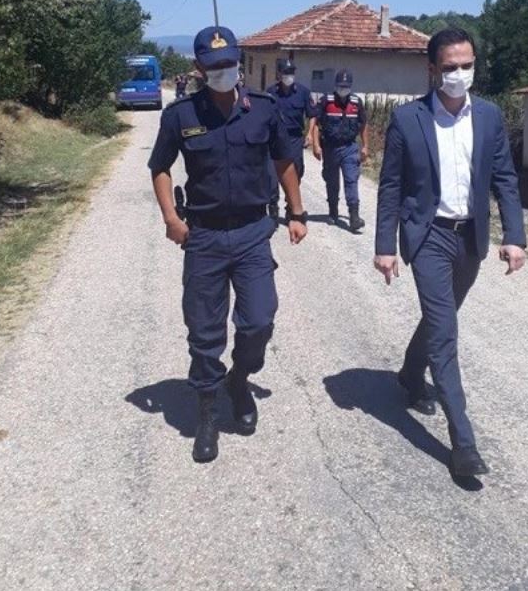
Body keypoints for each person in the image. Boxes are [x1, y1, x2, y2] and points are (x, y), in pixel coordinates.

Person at [148, 25, 309, 464]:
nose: (224, 70)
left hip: (254, 232)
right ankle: (207, 412)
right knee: (204, 330)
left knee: (259, 319)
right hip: (204, 235)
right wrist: (170, 218)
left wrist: (296, 212)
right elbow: (159, 166)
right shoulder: (181, 115)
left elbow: (284, 160)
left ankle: (239, 378)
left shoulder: (263, 109)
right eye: (215, 65)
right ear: (199, 68)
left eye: (230, 62)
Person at [373, 28, 526, 478]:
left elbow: (505, 178)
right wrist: (385, 247)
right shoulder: (408, 119)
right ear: (432, 70)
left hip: (470, 238)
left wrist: (514, 235)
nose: (460, 74)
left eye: (467, 65)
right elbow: (391, 187)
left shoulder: (490, 116)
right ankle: (463, 444)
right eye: (451, 67)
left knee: (441, 316)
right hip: (429, 237)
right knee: (445, 333)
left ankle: (409, 373)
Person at [309, 69, 369, 232]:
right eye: (341, 86)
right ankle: (333, 211)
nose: (343, 89)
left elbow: (363, 124)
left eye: (346, 86)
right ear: (336, 85)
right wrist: (316, 145)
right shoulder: (326, 101)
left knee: (351, 180)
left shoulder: (356, 103)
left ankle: (354, 216)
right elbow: (316, 123)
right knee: (332, 181)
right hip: (330, 148)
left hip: (350, 147)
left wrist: (365, 146)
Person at [266, 59, 316, 223]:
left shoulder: (303, 92)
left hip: (294, 138)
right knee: (272, 174)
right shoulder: (270, 93)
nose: (289, 76)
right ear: (279, 74)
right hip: (274, 138)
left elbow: (312, 115)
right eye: (286, 72)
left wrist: (310, 134)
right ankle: (273, 207)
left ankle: (290, 206)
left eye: (291, 72)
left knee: (297, 171)